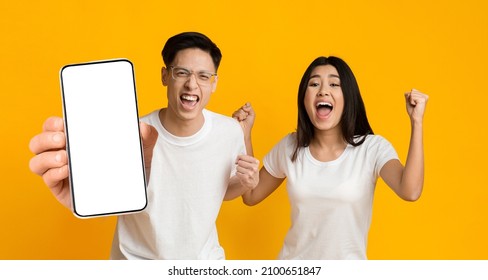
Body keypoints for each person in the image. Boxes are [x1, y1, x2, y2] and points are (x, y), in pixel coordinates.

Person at [28, 32, 260, 259]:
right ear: (164, 76)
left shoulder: (229, 131)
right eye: (182, 73)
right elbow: (112, 195)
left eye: (202, 76)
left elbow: (218, 191)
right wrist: (85, 189)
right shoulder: (133, 133)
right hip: (135, 262)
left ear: (214, 82)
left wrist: (245, 183)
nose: (192, 84)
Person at [233, 56, 429, 259]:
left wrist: (417, 122)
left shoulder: (371, 148)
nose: (323, 91)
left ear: (348, 97)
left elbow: (410, 191)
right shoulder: (291, 146)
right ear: (304, 98)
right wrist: (245, 136)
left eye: (334, 84)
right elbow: (251, 195)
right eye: (314, 84)